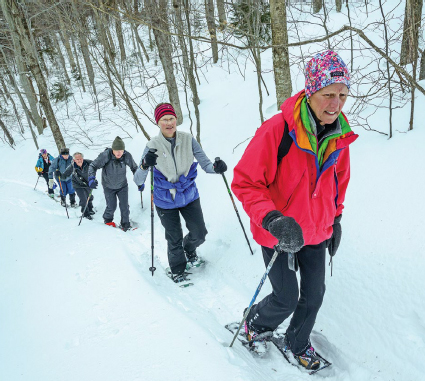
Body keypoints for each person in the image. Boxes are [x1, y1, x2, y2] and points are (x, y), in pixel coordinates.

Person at [231, 51, 358, 370]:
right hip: (279, 232)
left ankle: (297, 342)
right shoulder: (278, 130)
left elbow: (339, 181)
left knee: (314, 296)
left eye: (342, 94)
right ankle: (255, 326)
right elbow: (245, 182)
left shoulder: (339, 134)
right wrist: (273, 219)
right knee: (286, 297)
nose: (336, 103)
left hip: (316, 231)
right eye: (328, 94)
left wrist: (336, 218)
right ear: (311, 91)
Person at [133, 103, 228, 283]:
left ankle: (189, 249)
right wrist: (146, 163)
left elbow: (206, 164)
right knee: (173, 238)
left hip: (189, 195)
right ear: (158, 123)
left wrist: (217, 168)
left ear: (176, 120)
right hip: (165, 200)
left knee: (200, 233)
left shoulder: (188, 139)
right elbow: (138, 178)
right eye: (164, 120)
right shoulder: (152, 145)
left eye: (171, 119)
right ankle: (177, 271)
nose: (169, 123)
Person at [88, 136, 138, 231]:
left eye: (121, 150)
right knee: (111, 205)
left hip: (122, 185)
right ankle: (108, 220)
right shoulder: (106, 155)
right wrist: (91, 178)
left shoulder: (126, 156)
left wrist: (139, 181)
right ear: (112, 150)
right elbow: (93, 165)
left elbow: (134, 168)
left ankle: (125, 224)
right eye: (117, 150)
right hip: (108, 185)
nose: (119, 153)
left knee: (124, 206)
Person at [62, 152, 95, 220]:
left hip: (88, 183)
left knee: (89, 196)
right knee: (83, 199)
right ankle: (85, 214)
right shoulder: (72, 166)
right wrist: (59, 174)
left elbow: (98, 164)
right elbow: (65, 174)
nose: (79, 160)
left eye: (80, 159)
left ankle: (90, 208)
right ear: (74, 160)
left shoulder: (89, 163)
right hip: (78, 184)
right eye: (77, 159)